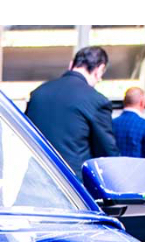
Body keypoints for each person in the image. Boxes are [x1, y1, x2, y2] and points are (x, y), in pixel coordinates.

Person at [25, 46, 119, 175]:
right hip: (70, 182)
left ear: (71, 65)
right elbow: (107, 153)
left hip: (35, 177)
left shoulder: (38, 93)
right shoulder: (96, 100)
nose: (99, 79)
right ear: (99, 69)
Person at [112, 87, 145, 160]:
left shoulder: (111, 124)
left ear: (124, 102)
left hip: (114, 167)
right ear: (142, 103)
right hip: (138, 167)